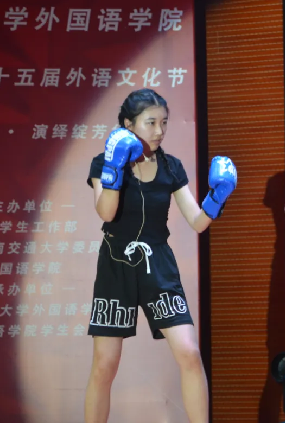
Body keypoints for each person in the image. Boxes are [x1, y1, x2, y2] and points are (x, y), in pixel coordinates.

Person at [84, 88, 237, 423]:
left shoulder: (171, 166)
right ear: (128, 125)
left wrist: (218, 196)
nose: (159, 130)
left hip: (158, 265)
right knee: (104, 365)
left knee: (189, 353)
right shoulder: (103, 162)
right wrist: (114, 168)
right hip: (116, 265)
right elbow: (106, 213)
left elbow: (197, 222)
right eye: (150, 122)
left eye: (164, 122)